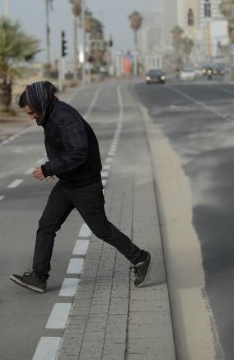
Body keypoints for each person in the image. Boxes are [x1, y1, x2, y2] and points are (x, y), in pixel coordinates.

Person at [10, 81, 152, 293]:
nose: (32, 118)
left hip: (85, 185)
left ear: (40, 103)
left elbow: (77, 153)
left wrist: (49, 168)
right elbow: (64, 150)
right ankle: (39, 276)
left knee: (101, 229)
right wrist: (56, 169)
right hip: (68, 182)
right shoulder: (50, 115)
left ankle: (140, 258)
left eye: (32, 113)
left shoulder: (65, 118)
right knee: (46, 226)